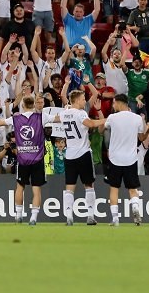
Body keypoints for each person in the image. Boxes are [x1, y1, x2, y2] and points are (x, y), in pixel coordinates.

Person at [0, 95, 51, 225]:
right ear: (34, 105)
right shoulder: (42, 117)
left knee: (20, 187)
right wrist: (69, 111)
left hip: (23, 160)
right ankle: (33, 218)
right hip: (37, 159)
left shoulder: (16, 119)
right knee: (36, 189)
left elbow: (0, 122)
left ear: (22, 106)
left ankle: (18, 216)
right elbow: (58, 118)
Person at [52, 90, 107, 226]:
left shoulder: (64, 114)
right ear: (76, 100)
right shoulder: (81, 113)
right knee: (89, 185)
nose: (84, 101)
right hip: (83, 154)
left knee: (70, 187)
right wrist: (107, 119)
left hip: (69, 155)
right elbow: (91, 124)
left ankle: (69, 217)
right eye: (83, 99)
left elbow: (54, 119)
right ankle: (90, 216)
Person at [102, 94, 146, 226]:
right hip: (131, 158)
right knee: (132, 189)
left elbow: (101, 129)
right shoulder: (137, 118)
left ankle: (115, 218)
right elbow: (142, 138)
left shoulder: (112, 117)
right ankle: (135, 208)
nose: (113, 106)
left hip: (115, 158)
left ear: (119, 103)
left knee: (114, 188)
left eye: (114, 103)